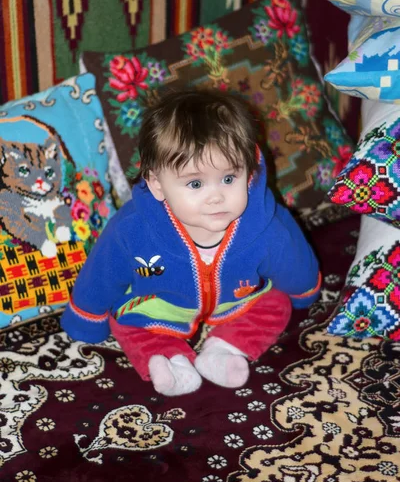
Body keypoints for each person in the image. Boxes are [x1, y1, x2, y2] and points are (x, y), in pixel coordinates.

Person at [61, 88, 320, 396]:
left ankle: (225, 348)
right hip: (160, 307)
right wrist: (85, 320)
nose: (216, 196)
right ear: (157, 183)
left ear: (249, 172)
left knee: (276, 303)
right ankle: (168, 358)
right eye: (195, 183)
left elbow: (293, 258)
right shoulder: (133, 230)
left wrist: (304, 292)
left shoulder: (263, 222)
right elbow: (102, 272)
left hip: (235, 301)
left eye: (228, 178)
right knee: (126, 320)